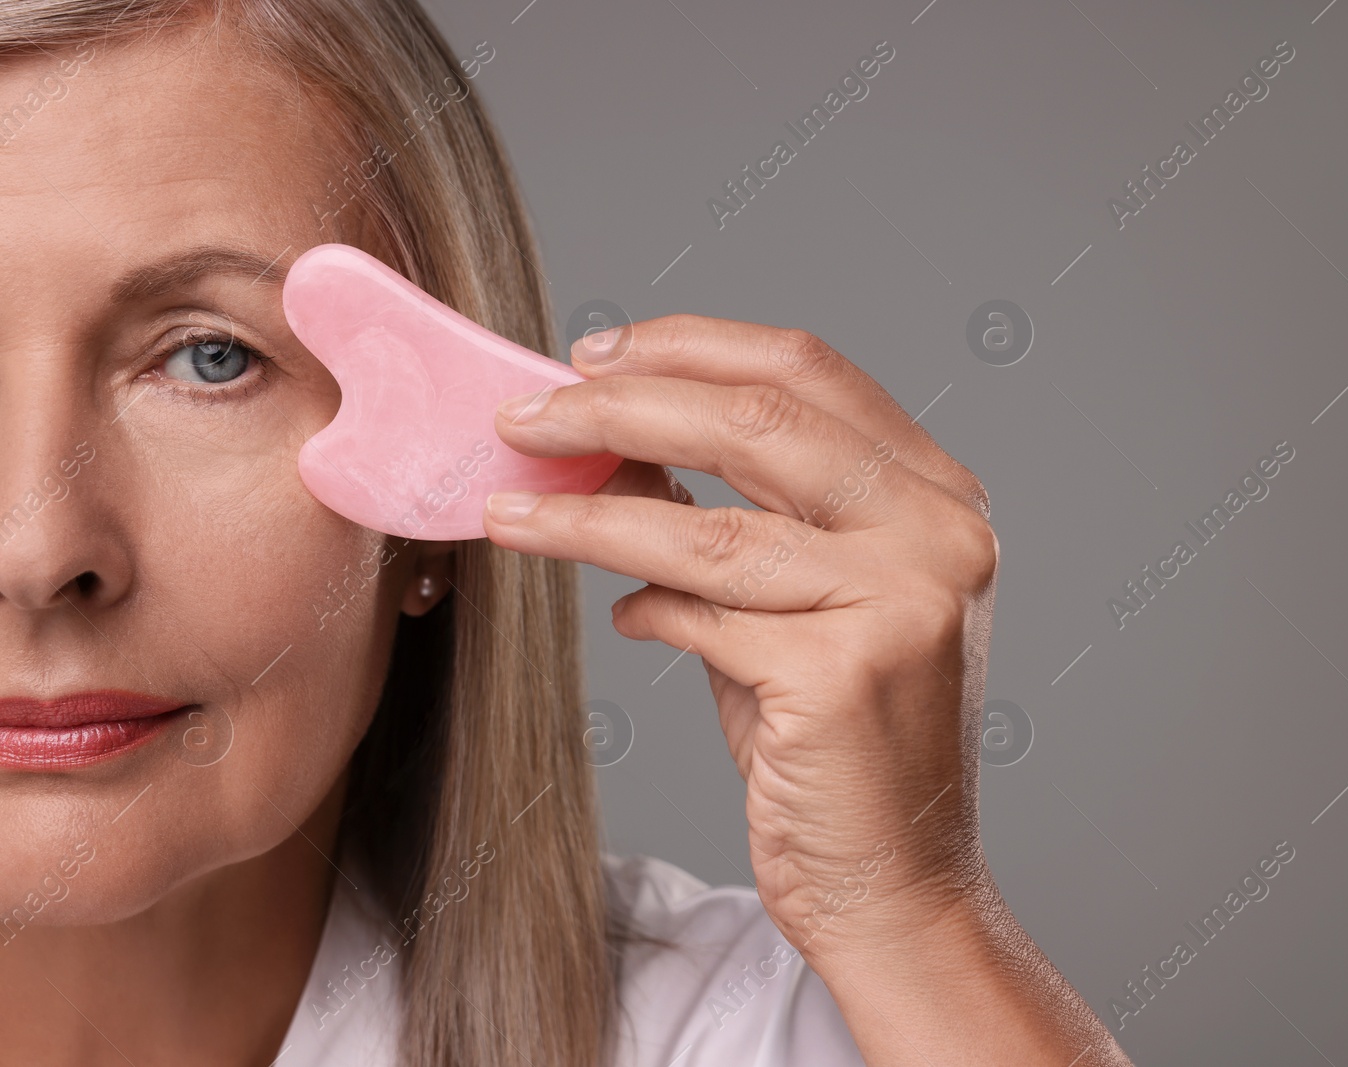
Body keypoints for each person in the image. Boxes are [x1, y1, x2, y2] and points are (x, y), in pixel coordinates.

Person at [0, 2, 1134, 1064]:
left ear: (435, 511)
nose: (39, 553)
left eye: (213, 357)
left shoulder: (734, 1031)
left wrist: (911, 917)